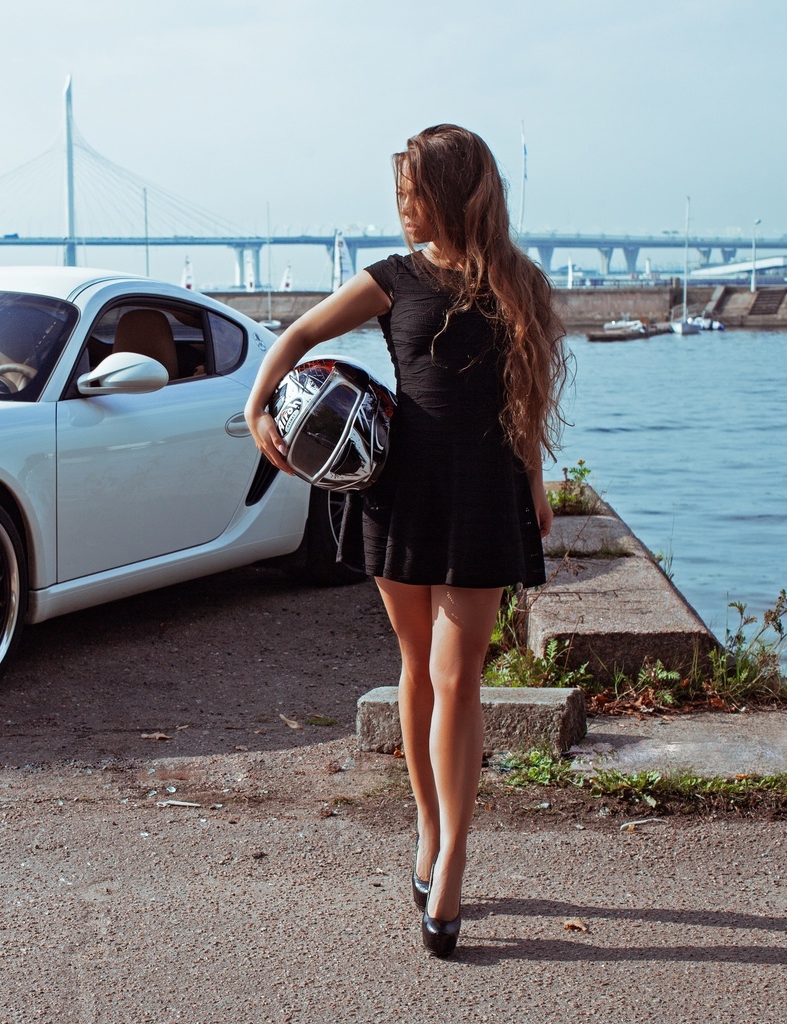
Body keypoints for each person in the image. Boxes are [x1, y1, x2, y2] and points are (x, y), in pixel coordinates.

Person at [244, 124, 568, 959]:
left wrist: (533, 484)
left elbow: (523, 400)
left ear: (452, 192)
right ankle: (428, 829)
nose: (402, 209)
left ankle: (453, 858)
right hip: (402, 490)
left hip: (484, 492)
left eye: (412, 193)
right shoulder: (393, 279)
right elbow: (300, 335)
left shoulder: (518, 283)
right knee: (417, 669)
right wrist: (259, 407)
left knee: (462, 682)